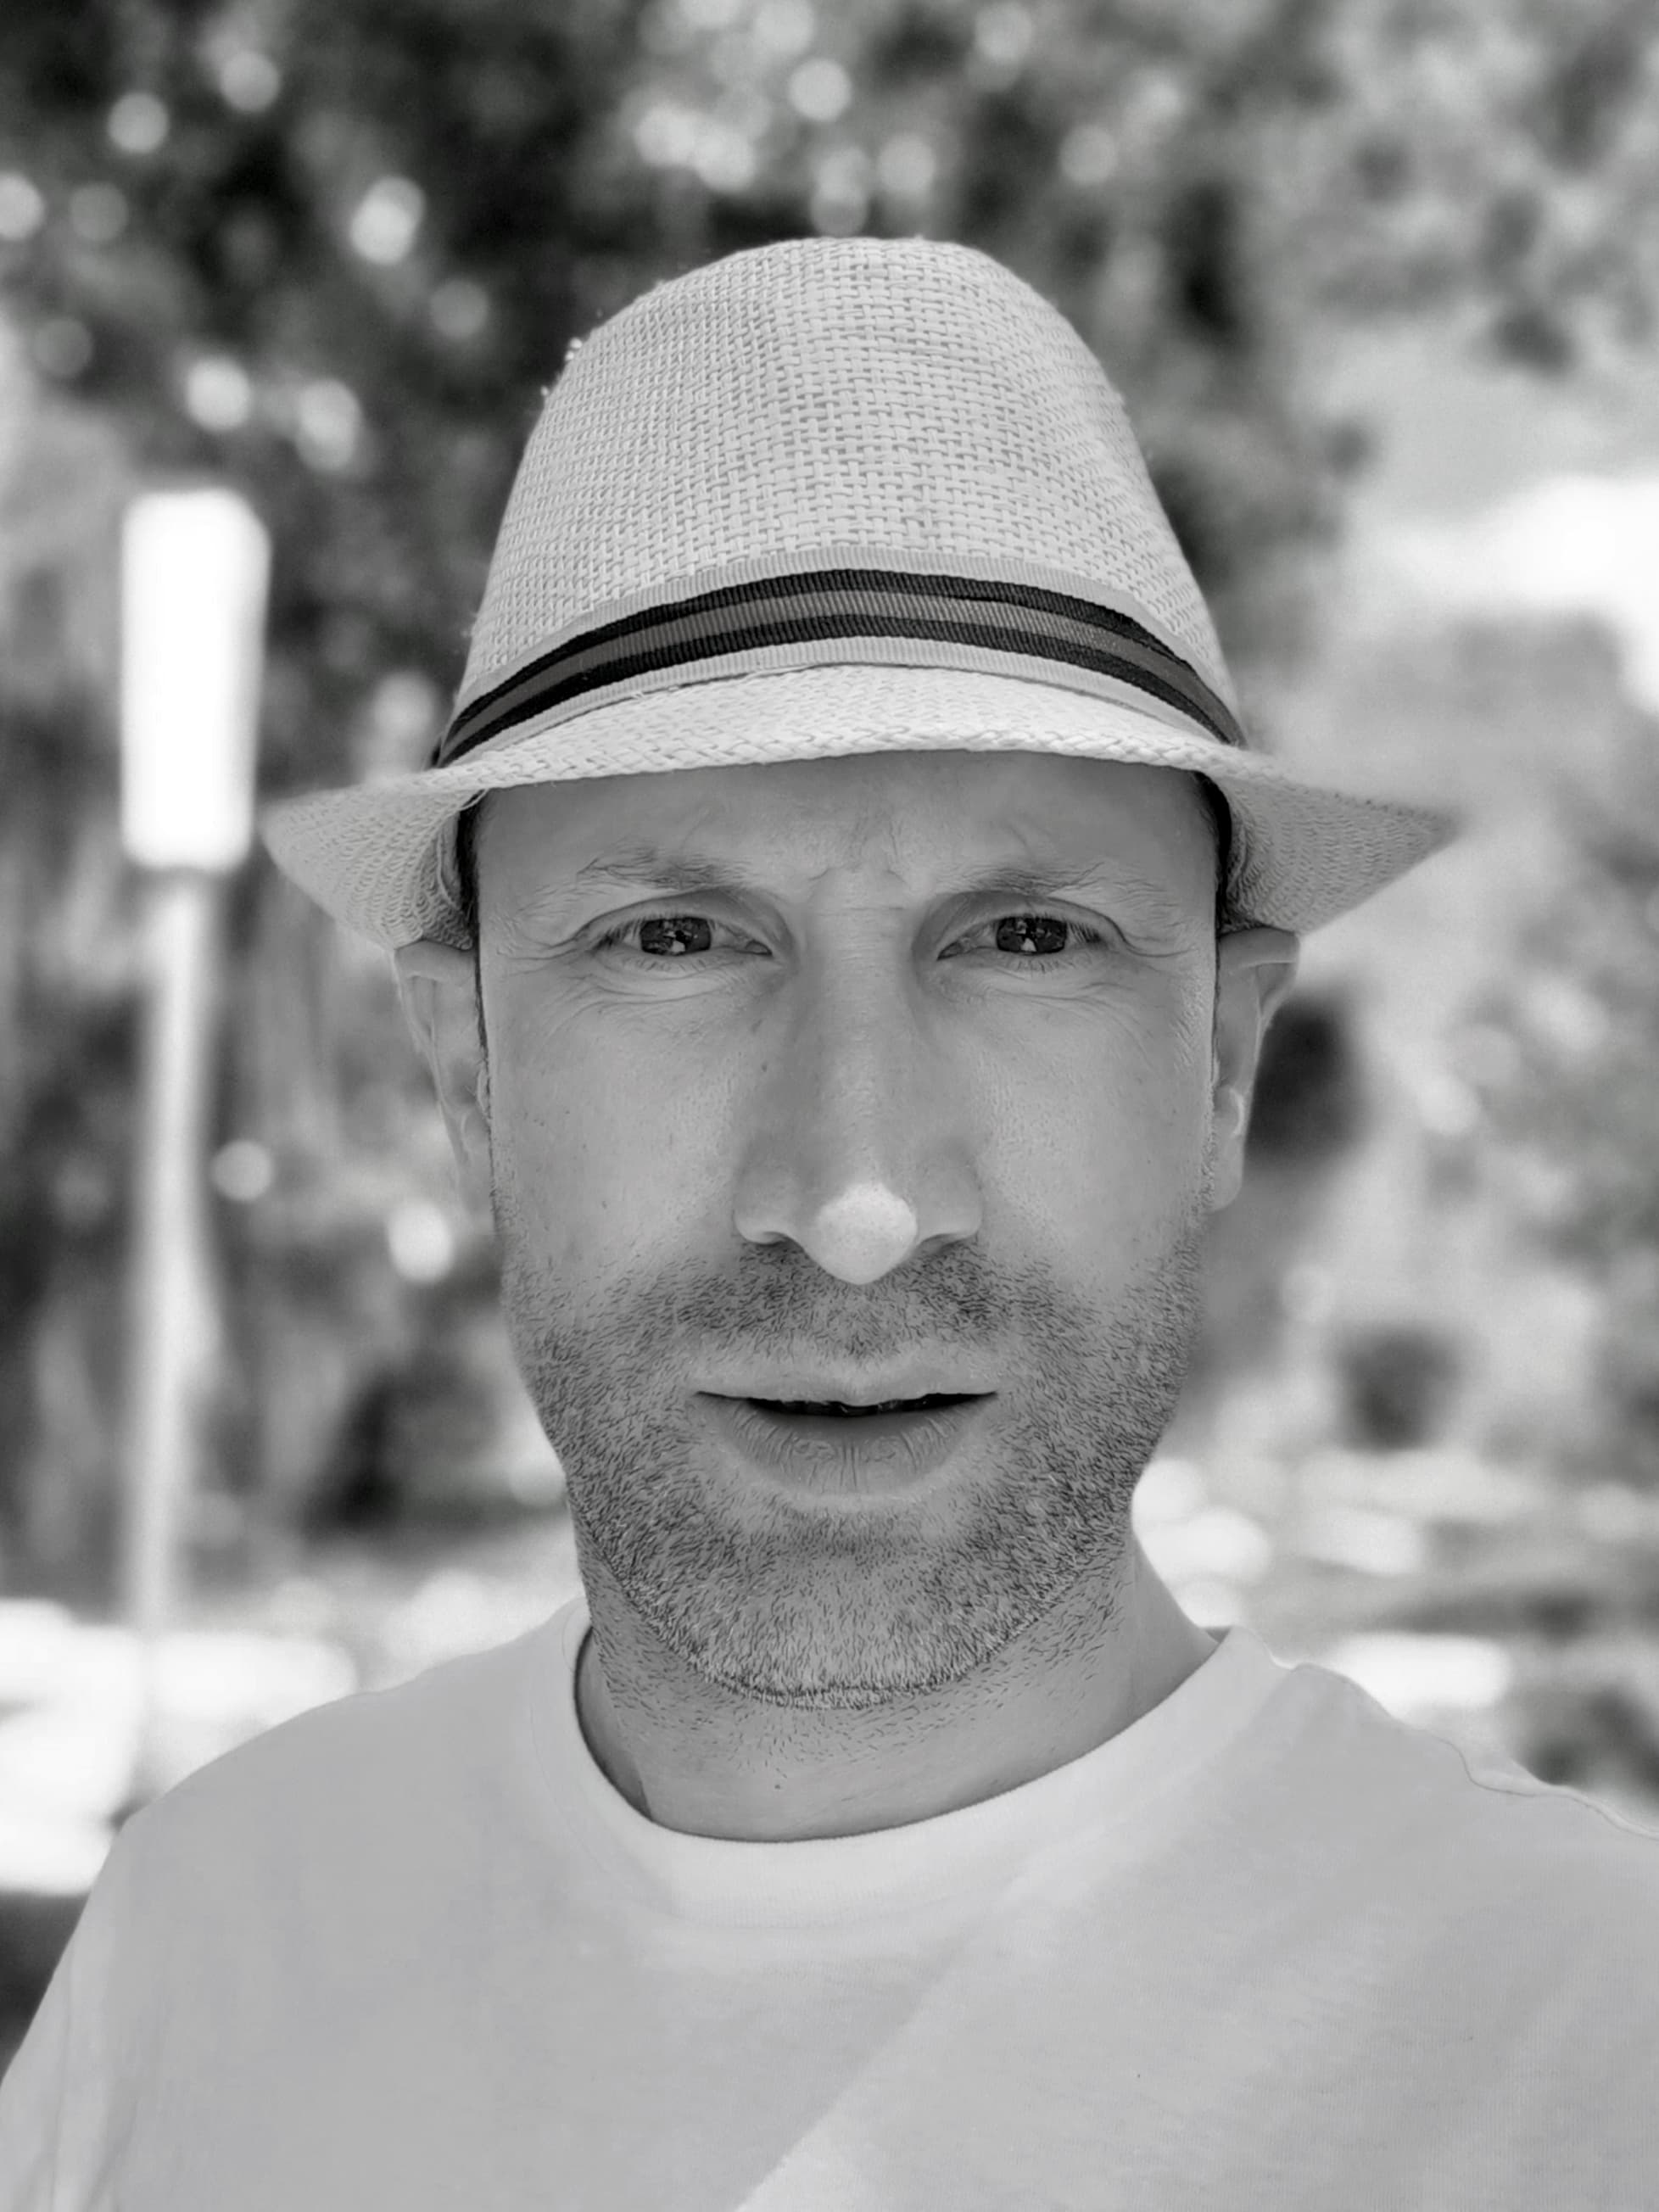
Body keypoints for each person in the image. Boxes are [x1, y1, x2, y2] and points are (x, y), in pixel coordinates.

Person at [3, 235, 1654, 2209]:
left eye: (1024, 936)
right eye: (674, 939)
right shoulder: (207, 1951)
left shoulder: (1586, 2050)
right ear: (470, 1074)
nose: (858, 1204)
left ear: (1220, 1065)